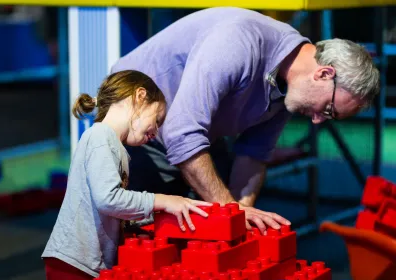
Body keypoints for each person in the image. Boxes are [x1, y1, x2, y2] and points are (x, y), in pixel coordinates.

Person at [110, 7, 380, 233]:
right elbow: (182, 133)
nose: (319, 120)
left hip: (195, 130)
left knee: (215, 223)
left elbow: (254, 154)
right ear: (323, 74)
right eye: (329, 109)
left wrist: (243, 217)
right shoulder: (238, 42)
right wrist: (232, 213)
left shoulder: (290, 85)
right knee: (144, 241)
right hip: (136, 128)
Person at [41, 70, 213, 280]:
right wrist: (163, 200)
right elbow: (107, 199)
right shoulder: (100, 137)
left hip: (86, 265)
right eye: (158, 119)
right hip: (75, 265)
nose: (157, 131)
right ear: (140, 96)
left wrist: (158, 214)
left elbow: (112, 208)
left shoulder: (114, 146)